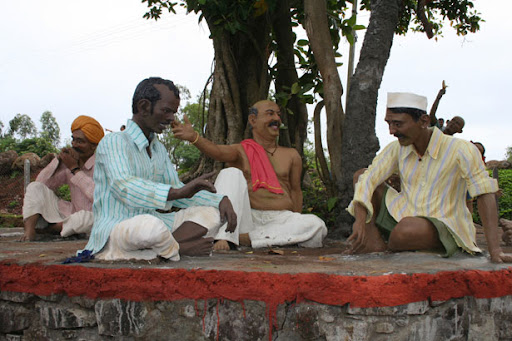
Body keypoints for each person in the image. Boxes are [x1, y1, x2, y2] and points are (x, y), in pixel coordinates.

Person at [346, 92, 512, 263]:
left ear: (424, 121)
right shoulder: (396, 149)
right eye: (389, 124)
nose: (392, 131)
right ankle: (374, 243)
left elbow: (485, 192)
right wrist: (360, 220)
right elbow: (367, 179)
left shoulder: (462, 149)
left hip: (445, 224)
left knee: (405, 231)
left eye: (398, 124)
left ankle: (392, 244)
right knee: (360, 175)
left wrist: (495, 251)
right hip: (403, 215)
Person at [82, 77, 237, 261]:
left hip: (154, 224)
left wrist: (220, 200)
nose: (171, 118)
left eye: (174, 112)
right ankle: (175, 248)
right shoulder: (114, 141)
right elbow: (124, 186)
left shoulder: (158, 149)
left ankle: (166, 248)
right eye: (166, 111)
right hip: (118, 228)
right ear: (144, 106)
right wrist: (177, 192)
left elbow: (178, 189)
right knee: (151, 227)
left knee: (211, 214)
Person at [172, 99, 327, 251]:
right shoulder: (242, 150)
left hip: (281, 218)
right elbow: (217, 151)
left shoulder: (292, 155)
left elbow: (295, 191)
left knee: (317, 226)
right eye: (270, 114)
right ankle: (226, 235)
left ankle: (248, 239)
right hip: (247, 218)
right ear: (253, 120)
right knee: (230, 173)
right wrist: (194, 137)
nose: (276, 119)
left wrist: (295, 221)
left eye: (278, 115)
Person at [20, 115, 104, 241]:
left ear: (93, 146)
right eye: (73, 140)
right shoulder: (69, 165)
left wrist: (75, 170)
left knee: (85, 220)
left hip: (92, 217)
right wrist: (58, 161)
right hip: (69, 214)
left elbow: (98, 197)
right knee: (34, 187)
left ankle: (51, 230)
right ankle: (30, 231)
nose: (75, 145)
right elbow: (41, 184)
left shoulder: (102, 165)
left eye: (80, 141)